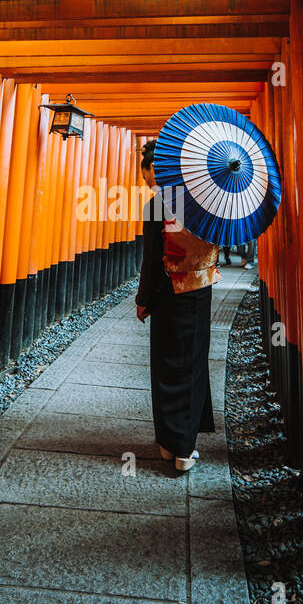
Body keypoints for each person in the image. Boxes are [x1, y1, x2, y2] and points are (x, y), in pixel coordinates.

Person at [135, 140, 221, 472]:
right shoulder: (206, 203)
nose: (150, 183)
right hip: (199, 291)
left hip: (167, 292)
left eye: (150, 177)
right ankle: (185, 448)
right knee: (193, 364)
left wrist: (144, 301)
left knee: (166, 366)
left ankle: (169, 445)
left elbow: (151, 260)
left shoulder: (156, 206)